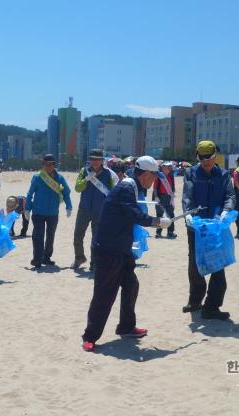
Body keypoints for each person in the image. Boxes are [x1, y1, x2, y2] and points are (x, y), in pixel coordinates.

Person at [81, 156, 172, 351]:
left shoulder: (133, 187)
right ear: (146, 174)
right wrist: (157, 222)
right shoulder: (125, 188)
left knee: (131, 284)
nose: (154, 180)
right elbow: (134, 214)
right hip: (108, 248)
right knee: (105, 293)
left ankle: (126, 326)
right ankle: (90, 336)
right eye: (153, 176)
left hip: (122, 248)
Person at [182, 141, 236, 319]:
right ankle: (195, 300)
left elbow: (230, 195)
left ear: (215, 156)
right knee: (195, 262)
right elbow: (187, 196)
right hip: (196, 226)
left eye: (209, 158)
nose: (206, 162)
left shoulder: (223, 174)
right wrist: (188, 214)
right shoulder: (190, 173)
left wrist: (226, 210)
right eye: (202, 158)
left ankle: (212, 306)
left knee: (218, 263)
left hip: (216, 225)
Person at [72, 149, 117, 271]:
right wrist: (86, 179)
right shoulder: (83, 171)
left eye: (98, 159)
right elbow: (77, 188)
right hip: (84, 209)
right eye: (93, 159)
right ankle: (79, 258)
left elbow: (112, 192)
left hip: (100, 210)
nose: (95, 162)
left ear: (102, 160)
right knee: (77, 235)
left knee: (96, 239)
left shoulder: (109, 174)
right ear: (90, 160)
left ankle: (94, 263)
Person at [25, 154, 72, 268]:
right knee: (38, 236)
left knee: (50, 236)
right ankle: (37, 259)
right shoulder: (37, 177)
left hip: (53, 213)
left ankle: (46, 257)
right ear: (43, 165)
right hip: (38, 212)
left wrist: (69, 206)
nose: (49, 166)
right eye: (46, 164)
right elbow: (30, 194)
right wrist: (27, 208)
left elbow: (66, 193)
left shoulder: (60, 178)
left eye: (51, 164)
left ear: (54, 165)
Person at [153, 161, 176, 239]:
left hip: (169, 197)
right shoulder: (158, 176)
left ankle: (170, 232)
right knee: (159, 215)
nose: (168, 169)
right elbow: (155, 187)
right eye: (166, 167)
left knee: (171, 215)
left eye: (169, 167)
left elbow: (172, 187)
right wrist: (156, 196)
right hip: (160, 197)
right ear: (162, 168)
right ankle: (158, 232)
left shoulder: (171, 176)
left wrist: (172, 197)